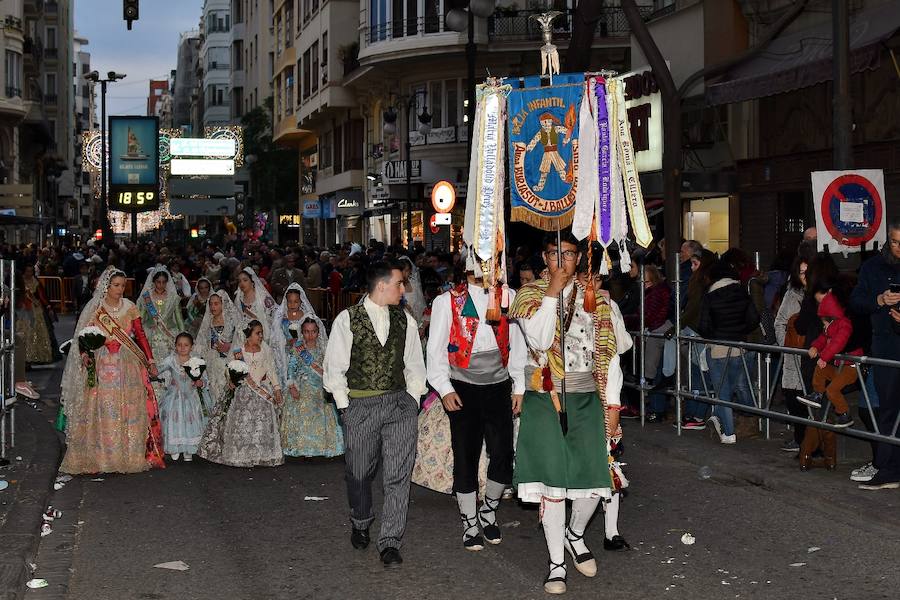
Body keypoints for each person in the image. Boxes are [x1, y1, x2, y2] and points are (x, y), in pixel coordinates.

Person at [508, 231, 631, 595]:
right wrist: (552, 293)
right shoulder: (529, 295)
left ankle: (574, 535)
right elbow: (540, 341)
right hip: (545, 398)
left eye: (569, 253)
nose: (562, 259)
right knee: (554, 483)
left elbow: (611, 357)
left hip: (587, 398)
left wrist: (613, 406)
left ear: (581, 257)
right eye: (554, 253)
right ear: (544, 258)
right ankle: (556, 563)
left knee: (595, 480)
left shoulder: (598, 297)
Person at [323, 261, 427, 568]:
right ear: (382, 285)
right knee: (358, 472)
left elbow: (414, 363)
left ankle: (391, 541)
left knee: (398, 475)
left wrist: (412, 399)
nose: (403, 288)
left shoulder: (404, 319)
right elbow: (334, 368)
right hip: (360, 406)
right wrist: (346, 408)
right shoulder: (348, 319)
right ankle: (361, 519)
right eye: (399, 283)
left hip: (399, 406)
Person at [426, 261, 524, 551]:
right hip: (464, 387)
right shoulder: (446, 302)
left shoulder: (508, 296)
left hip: (499, 385)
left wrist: (519, 385)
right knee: (465, 455)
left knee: (503, 451)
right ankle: (469, 520)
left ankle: (489, 509)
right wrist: (444, 389)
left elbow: (517, 343)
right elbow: (436, 349)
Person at [59, 267, 165, 474]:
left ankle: (128, 454)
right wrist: (85, 353)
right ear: (106, 286)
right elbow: (84, 335)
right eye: (116, 285)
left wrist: (150, 360)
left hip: (127, 363)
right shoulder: (97, 309)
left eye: (123, 285)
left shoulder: (130, 307)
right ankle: (101, 456)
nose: (120, 289)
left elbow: (141, 335)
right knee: (104, 408)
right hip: (103, 362)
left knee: (128, 408)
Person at [198, 320, 284, 468]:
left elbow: (270, 370)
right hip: (242, 391)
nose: (261, 336)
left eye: (262, 333)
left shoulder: (265, 350)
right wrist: (230, 379)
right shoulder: (239, 352)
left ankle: (262, 455)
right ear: (248, 335)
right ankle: (240, 455)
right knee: (241, 422)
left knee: (260, 424)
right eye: (258, 333)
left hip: (261, 392)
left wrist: (276, 389)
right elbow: (229, 368)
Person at [271, 284, 341, 457]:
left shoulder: (323, 349)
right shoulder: (298, 349)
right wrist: (292, 385)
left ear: (318, 332)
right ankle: (302, 446)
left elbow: (329, 368)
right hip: (301, 384)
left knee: (320, 405)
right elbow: (292, 368)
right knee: (301, 403)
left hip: (319, 385)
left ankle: (320, 445)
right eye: (307, 332)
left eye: (313, 332)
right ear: (302, 332)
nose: (310, 335)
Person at [698, 260, 760, 444]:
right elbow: (753, 319)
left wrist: (715, 335)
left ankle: (729, 433)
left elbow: (703, 326)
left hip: (718, 349)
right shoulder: (742, 293)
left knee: (722, 392)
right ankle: (719, 418)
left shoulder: (709, 297)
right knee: (734, 386)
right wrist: (739, 330)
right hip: (739, 348)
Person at [797, 289, 859, 428]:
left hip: (851, 368)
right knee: (820, 369)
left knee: (832, 390)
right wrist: (815, 347)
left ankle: (844, 414)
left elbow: (838, 342)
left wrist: (824, 357)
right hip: (840, 366)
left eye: (824, 323)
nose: (823, 326)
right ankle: (817, 394)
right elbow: (823, 338)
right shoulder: (830, 327)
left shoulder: (844, 325)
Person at [157, 332, 213, 462]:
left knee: (191, 419)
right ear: (175, 346)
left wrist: (201, 383)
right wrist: (150, 367)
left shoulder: (196, 361)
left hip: (191, 395)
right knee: (172, 417)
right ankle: (174, 448)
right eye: (179, 345)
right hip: (174, 395)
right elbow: (157, 370)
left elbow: (204, 379)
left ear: (191, 346)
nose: (182, 348)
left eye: (186, 345)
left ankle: (189, 449)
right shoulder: (171, 360)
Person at [773, 256, 809, 452]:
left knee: (811, 398)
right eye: (801, 272)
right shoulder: (791, 294)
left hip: (815, 355)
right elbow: (779, 322)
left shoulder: (822, 293)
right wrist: (786, 345)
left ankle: (811, 442)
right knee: (793, 397)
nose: (805, 276)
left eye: (808, 272)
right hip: (793, 353)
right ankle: (800, 438)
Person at [195, 290, 245, 404]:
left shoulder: (232, 321)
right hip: (212, 364)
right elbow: (202, 343)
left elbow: (241, 339)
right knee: (215, 394)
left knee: (229, 395)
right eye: (211, 304)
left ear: (223, 304)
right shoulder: (208, 322)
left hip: (229, 362)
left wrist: (229, 346)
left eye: (216, 303)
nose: (213, 307)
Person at [138, 266, 185, 369]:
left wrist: (183, 335)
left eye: (164, 282)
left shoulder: (173, 297)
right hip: (151, 331)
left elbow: (179, 318)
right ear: (153, 281)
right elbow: (141, 316)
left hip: (169, 331)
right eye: (158, 282)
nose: (161, 285)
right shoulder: (146, 297)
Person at [16, 263, 61, 365]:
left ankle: (36, 356)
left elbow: (42, 296)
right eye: (28, 271)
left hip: (36, 310)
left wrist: (48, 306)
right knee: (24, 334)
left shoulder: (35, 281)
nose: (30, 273)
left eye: (31, 271)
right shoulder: (19, 282)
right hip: (23, 311)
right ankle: (24, 358)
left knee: (39, 333)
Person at [235, 266, 277, 338]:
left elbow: (274, 316)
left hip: (263, 335)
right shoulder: (238, 299)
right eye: (239, 281)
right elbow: (237, 319)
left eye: (245, 280)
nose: (242, 283)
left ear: (252, 282)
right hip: (244, 336)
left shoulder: (263, 297)